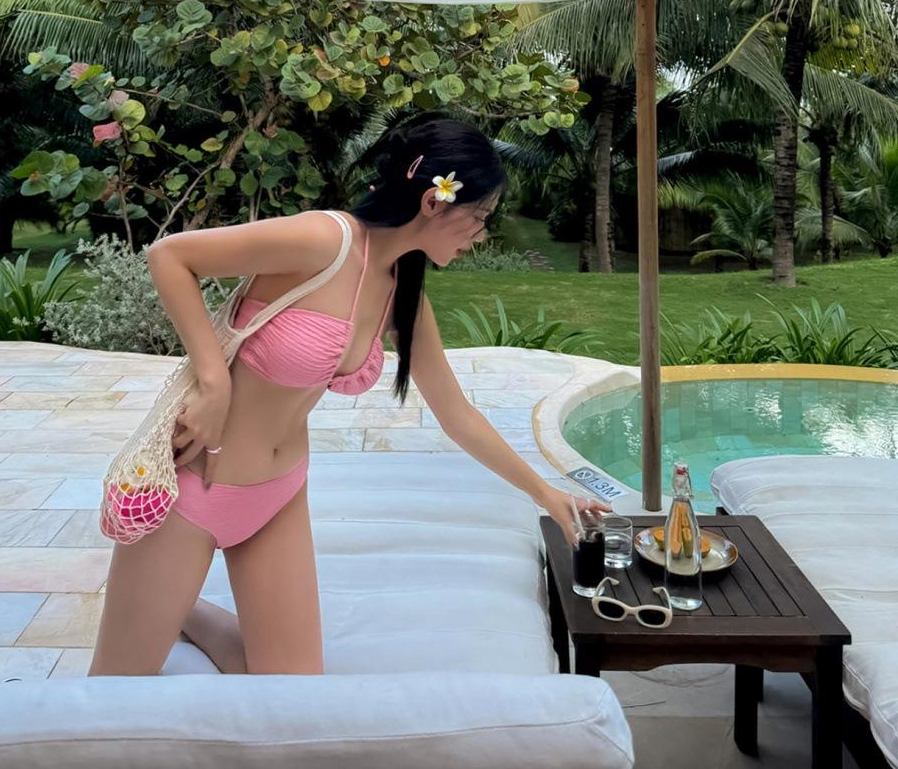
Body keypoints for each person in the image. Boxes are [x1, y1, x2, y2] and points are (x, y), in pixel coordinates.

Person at [88, 112, 611, 678]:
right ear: (433, 201)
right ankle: (166, 602)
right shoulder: (325, 240)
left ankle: (185, 612)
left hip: (277, 498)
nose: (482, 235)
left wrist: (546, 493)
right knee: (114, 692)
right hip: (191, 488)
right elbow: (170, 256)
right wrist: (213, 381)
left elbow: (457, 414)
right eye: (480, 216)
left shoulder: (402, 292)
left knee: (294, 691)